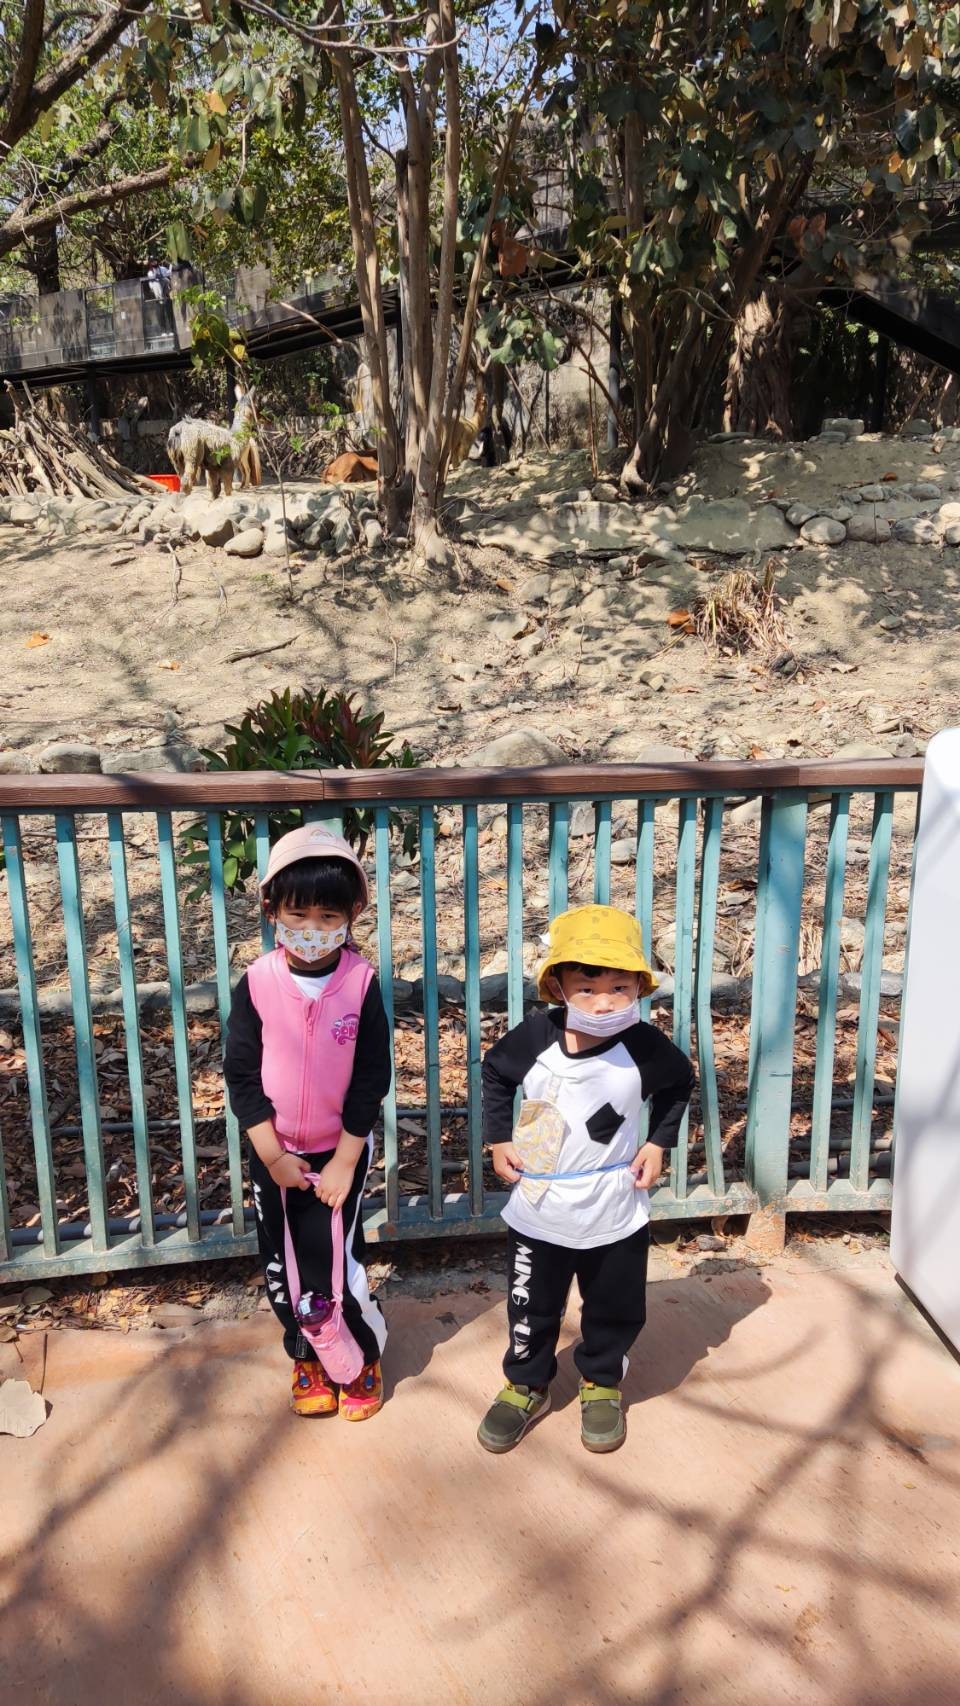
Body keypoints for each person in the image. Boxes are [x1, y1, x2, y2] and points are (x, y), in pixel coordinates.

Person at [477, 904, 694, 1455]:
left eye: (620, 988)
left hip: (614, 1205)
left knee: (613, 1304)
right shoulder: (536, 1038)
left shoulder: (645, 1047)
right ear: (558, 986)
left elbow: (679, 1083)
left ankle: (601, 1381)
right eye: (588, 987)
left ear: (640, 987)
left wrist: (657, 1142)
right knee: (531, 1304)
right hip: (540, 1206)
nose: (604, 1002)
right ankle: (526, 1384)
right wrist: (498, 1139)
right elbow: (496, 1073)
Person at [224, 824, 391, 1420]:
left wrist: (346, 1160)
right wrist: (271, 1156)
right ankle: (308, 1352)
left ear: (352, 915)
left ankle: (359, 1354)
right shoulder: (257, 983)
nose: (313, 929)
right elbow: (241, 1075)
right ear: (271, 909)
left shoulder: (360, 984)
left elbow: (371, 1077)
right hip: (274, 1152)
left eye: (328, 916)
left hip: (338, 1151)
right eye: (298, 914)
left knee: (337, 1258)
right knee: (283, 1257)